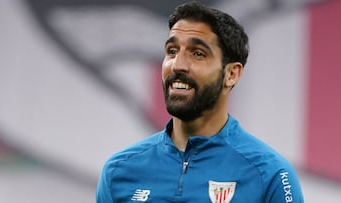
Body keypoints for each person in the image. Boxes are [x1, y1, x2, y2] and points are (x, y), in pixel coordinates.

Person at [96, 1, 304, 202]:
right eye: (172, 51)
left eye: (198, 53)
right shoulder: (119, 171)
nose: (178, 65)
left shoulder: (270, 175)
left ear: (231, 74)